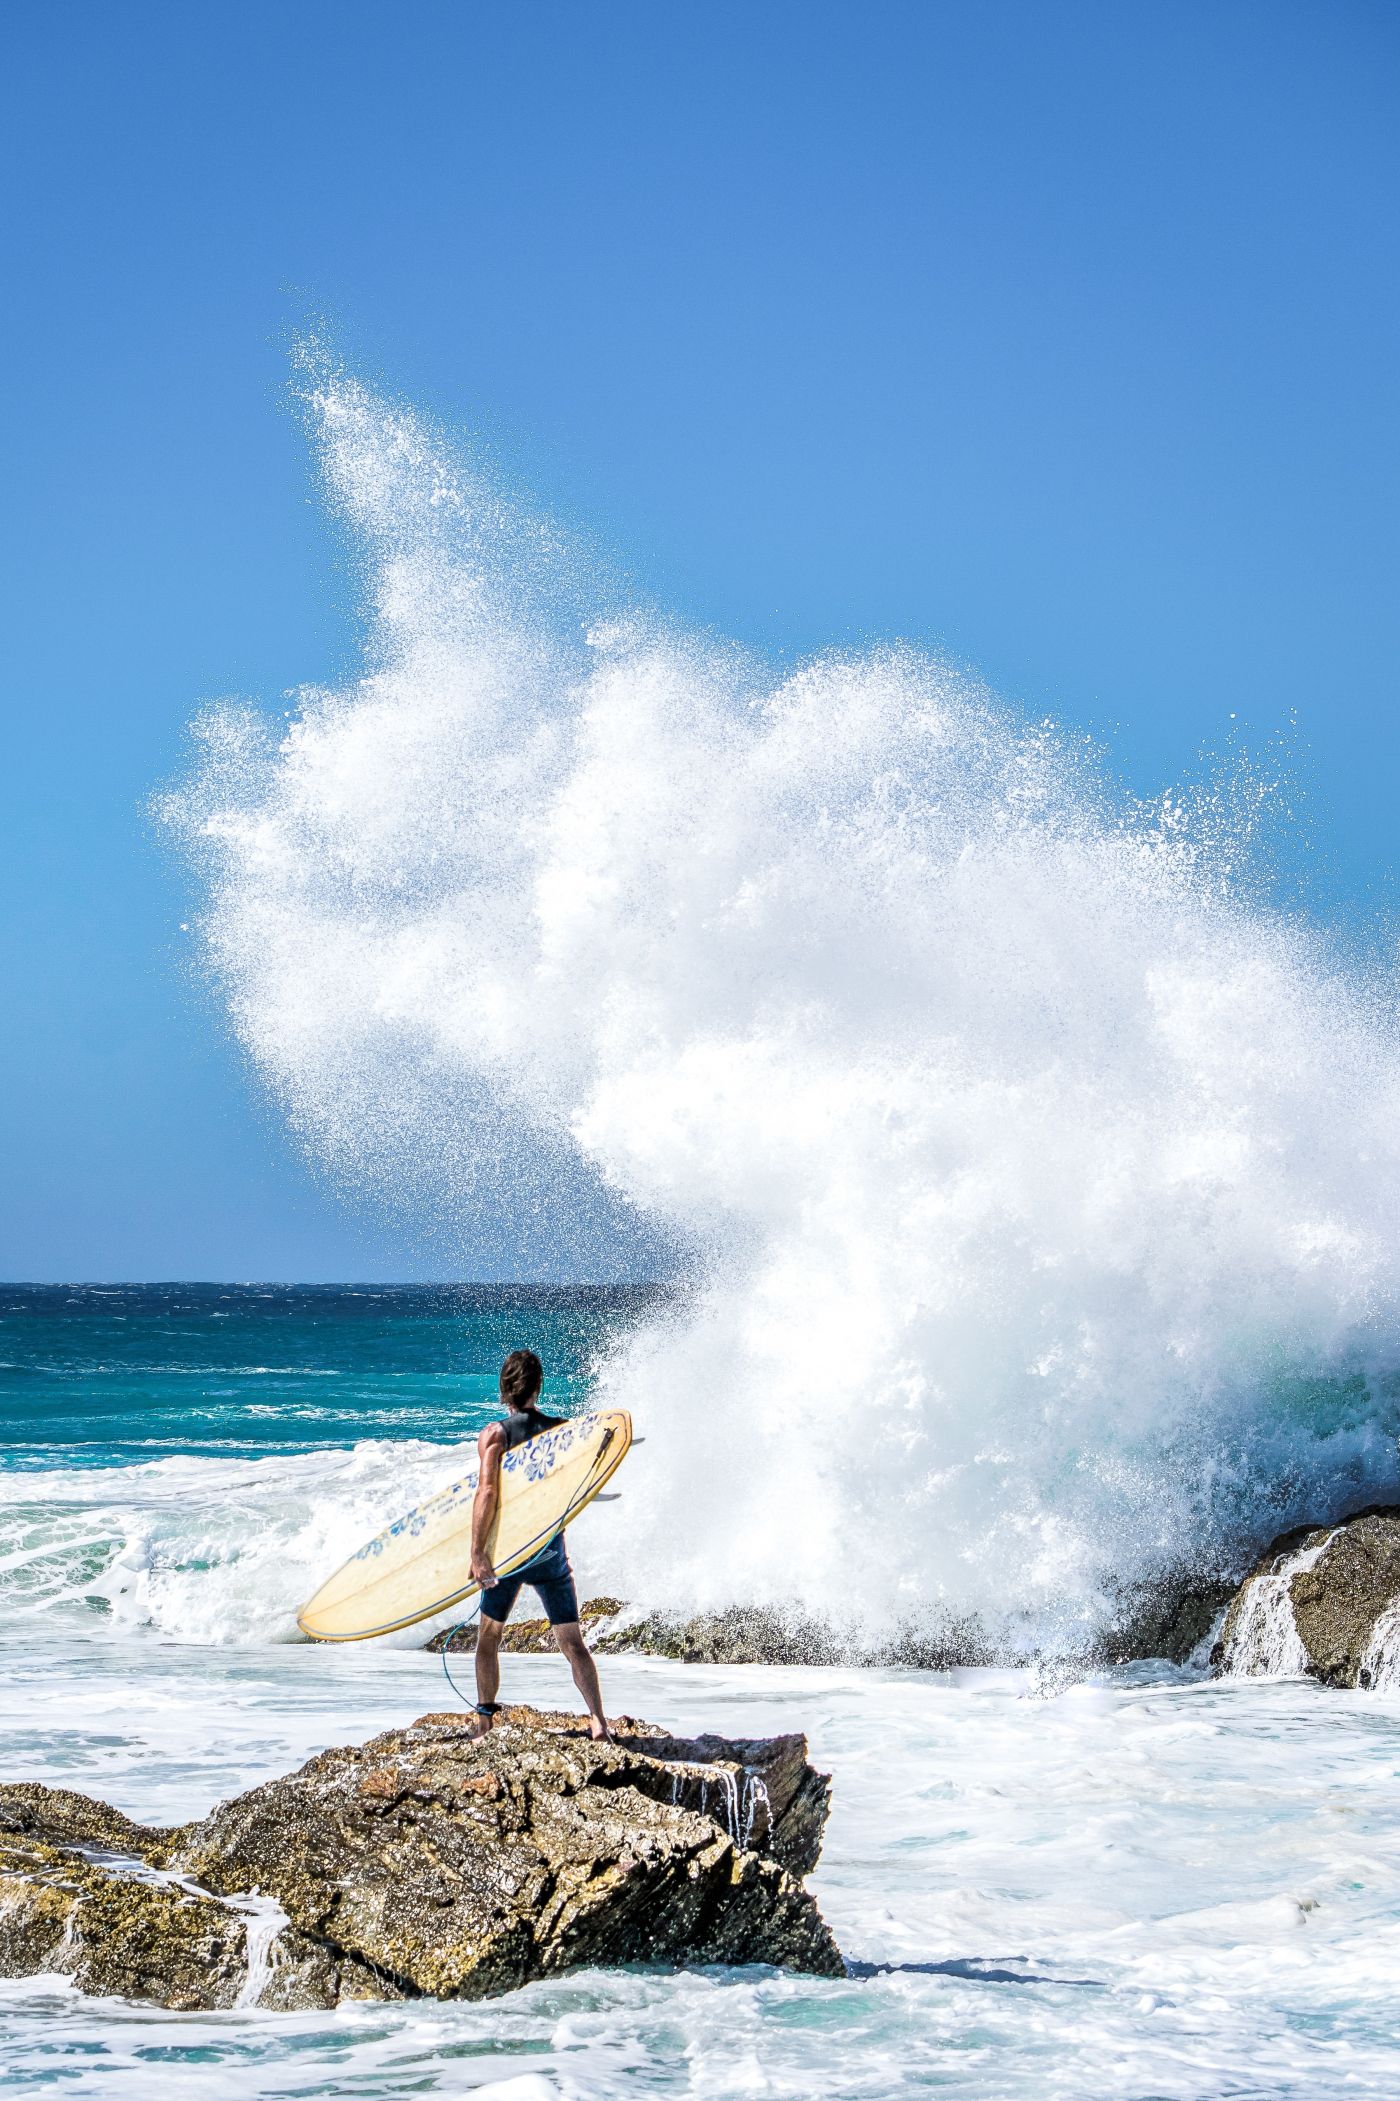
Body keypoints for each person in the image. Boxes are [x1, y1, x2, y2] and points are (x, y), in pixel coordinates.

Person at [467, 1347, 610, 1740]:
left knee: (489, 1637)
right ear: (538, 1387)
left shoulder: (495, 1435)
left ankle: (484, 1722)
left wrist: (478, 1553)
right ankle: (598, 1720)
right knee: (572, 1642)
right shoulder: (563, 1431)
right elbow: (585, 1480)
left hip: (510, 1555)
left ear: (504, 1389)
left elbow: (487, 1493)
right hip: (549, 1551)